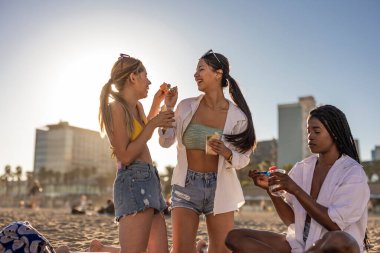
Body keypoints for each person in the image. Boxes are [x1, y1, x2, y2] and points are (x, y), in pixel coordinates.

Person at [225, 105, 370, 253]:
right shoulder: (302, 168)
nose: (310, 136)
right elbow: (293, 221)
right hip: (300, 243)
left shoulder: (352, 172)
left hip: (333, 246)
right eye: (308, 131)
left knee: (340, 239)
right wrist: (271, 190)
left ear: (335, 133)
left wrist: (295, 189)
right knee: (235, 237)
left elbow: (335, 225)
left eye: (316, 131)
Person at [159, 49, 256, 253]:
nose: (195, 75)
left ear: (218, 73)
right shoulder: (185, 107)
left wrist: (226, 153)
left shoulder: (238, 117)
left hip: (220, 187)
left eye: (201, 69)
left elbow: (243, 159)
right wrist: (168, 108)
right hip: (186, 185)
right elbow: (165, 141)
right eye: (196, 70)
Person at [98, 53, 175, 253]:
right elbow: (125, 155)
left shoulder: (137, 106)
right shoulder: (116, 108)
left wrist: (157, 104)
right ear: (133, 77)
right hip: (133, 180)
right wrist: (154, 125)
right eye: (145, 76)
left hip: (149, 178)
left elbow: (141, 133)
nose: (149, 81)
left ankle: (101, 249)